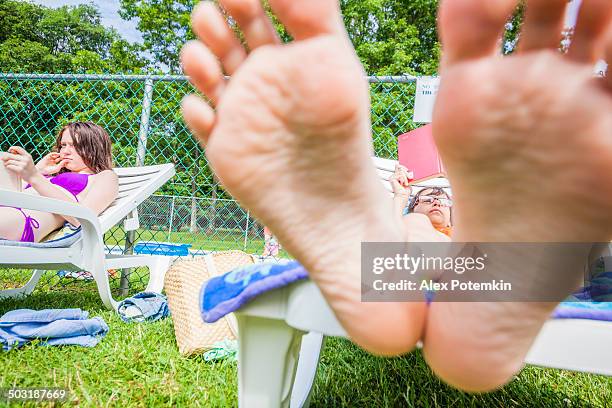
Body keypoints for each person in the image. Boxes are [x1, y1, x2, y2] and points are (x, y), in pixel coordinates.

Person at [180, 0, 612, 392]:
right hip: (434, 248)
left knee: (467, 246)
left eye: (441, 199)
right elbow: (411, 219)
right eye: (429, 198)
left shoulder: (471, 220)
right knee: (423, 235)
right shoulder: (416, 218)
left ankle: (474, 269)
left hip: (472, 250)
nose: (437, 200)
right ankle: (385, 253)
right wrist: (407, 204)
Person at [0, 121, 118, 242]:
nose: (65, 151)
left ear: (95, 148)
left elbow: (83, 219)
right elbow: (15, 192)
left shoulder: (105, 177)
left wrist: (34, 176)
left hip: (20, 221)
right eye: (63, 145)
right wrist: (39, 170)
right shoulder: (47, 177)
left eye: (74, 145)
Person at [390, 164, 452, 241]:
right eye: (427, 199)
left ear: (449, 221)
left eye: (444, 202)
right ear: (413, 209)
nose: (437, 202)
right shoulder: (407, 223)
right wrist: (401, 196)